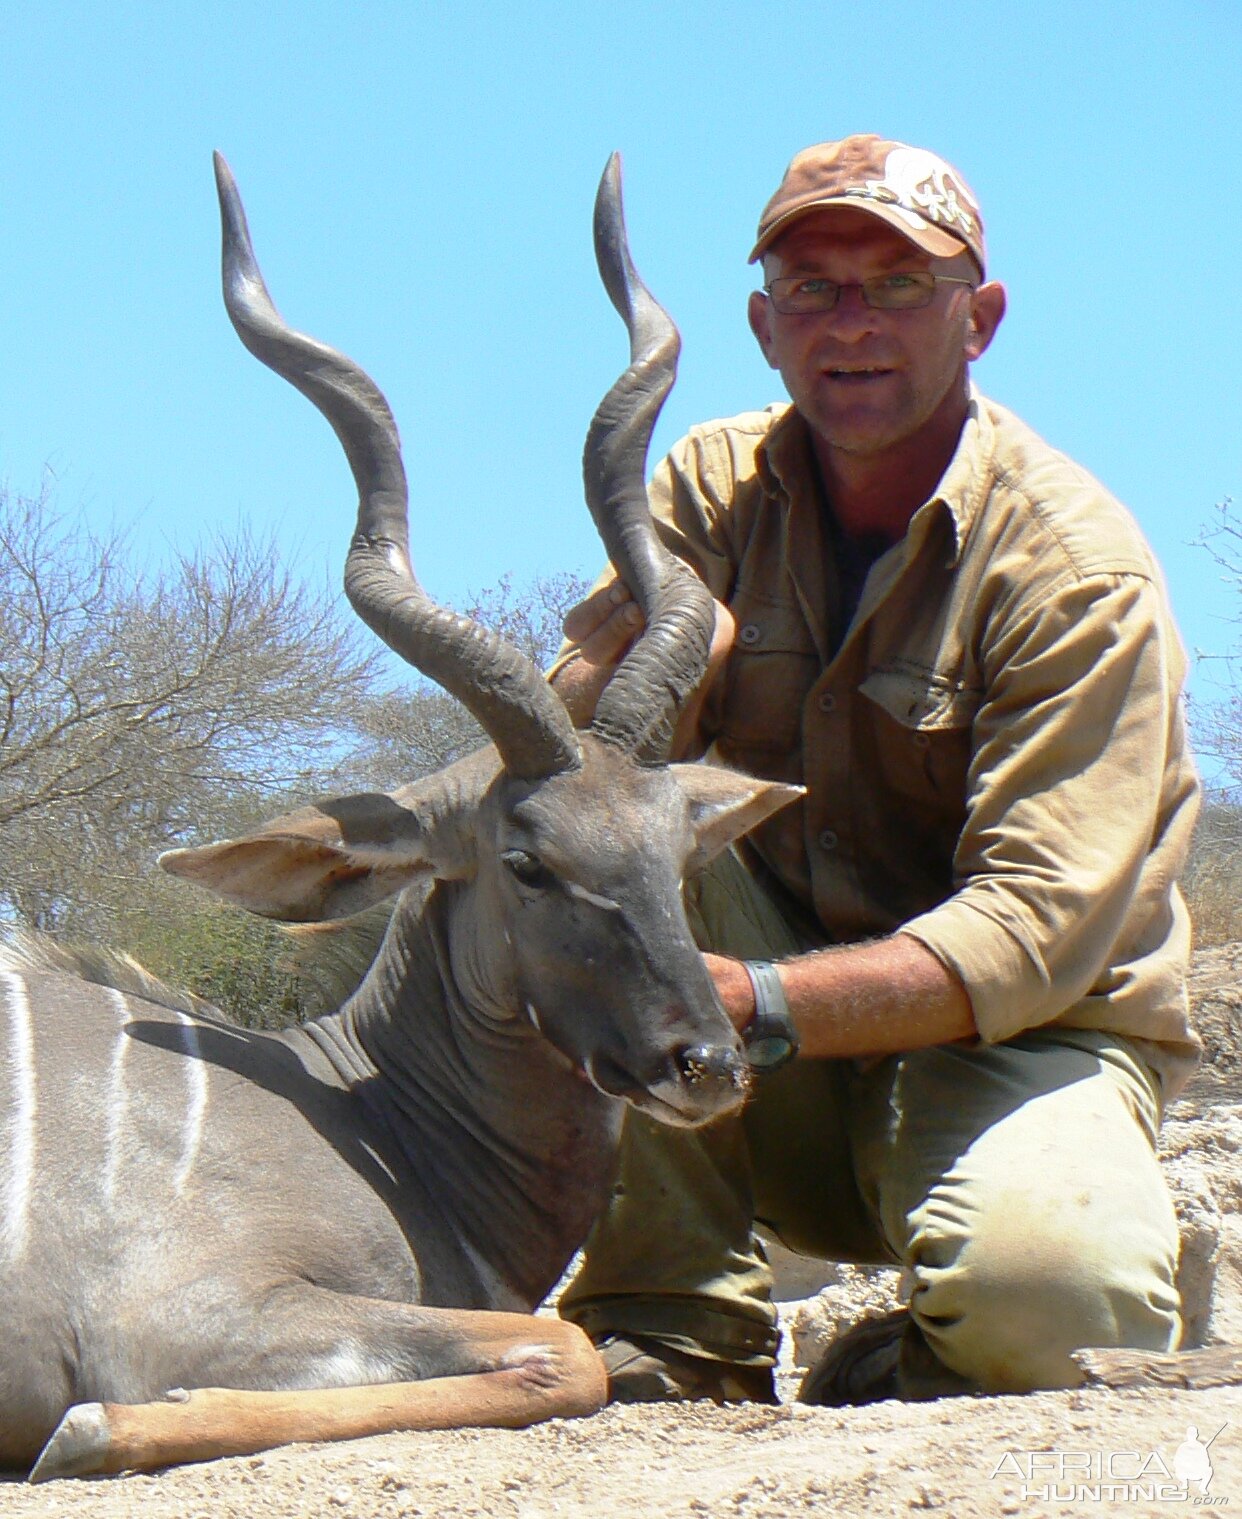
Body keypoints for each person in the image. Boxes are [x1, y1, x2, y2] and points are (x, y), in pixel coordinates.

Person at [551, 133, 1201, 1406]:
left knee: (1058, 1322)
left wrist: (742, 1001)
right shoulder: (705, 484)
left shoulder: (1075, 566)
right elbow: (567, 773)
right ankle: (673, 1328)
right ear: (764, 324)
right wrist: (643, 669)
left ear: (980, 319)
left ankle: (904, 1354)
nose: (853, 323)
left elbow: (1030, 933)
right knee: (589, 855)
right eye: (814, 290)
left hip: (1017, 1037)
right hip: (761, 1068)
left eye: (900, 287)